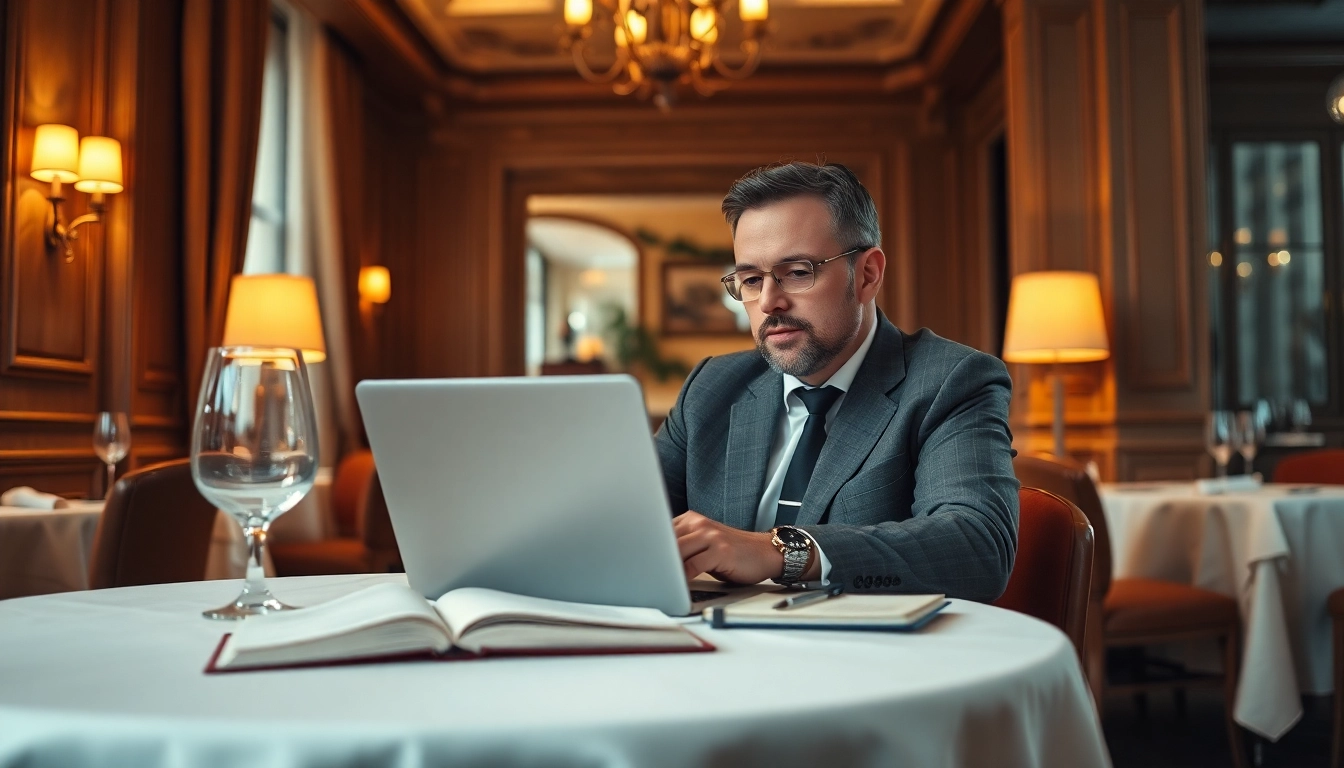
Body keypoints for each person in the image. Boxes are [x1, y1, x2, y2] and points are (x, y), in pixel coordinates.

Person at [655, 161, 1019, 602]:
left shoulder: (949, 381)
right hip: (715, 651)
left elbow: (975, 548)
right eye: (751, 279)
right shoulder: (712, 387)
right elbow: (628, 519)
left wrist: (779, 552)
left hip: (867, 661)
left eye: (798, 271)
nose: (769, 301)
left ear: (867, 274)